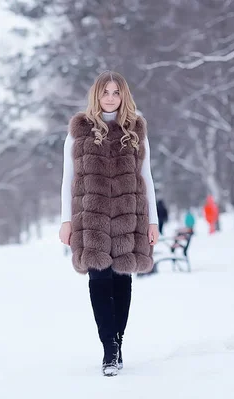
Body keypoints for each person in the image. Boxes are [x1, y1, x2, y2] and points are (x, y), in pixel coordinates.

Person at [58, 71, 159, 377]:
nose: (111, 97)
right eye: (106, 92)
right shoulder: (80, 131)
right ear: (96, 95)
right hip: (92, 219)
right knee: (99, 282)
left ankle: (118, 340)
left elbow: (146, 178)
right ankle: (109, 351)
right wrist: (66, 220)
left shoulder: (135, 130)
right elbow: (68, 180)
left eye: (116, 92)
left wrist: (152, 221)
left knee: (122, 283)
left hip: (129, 217)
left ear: (123, 95)